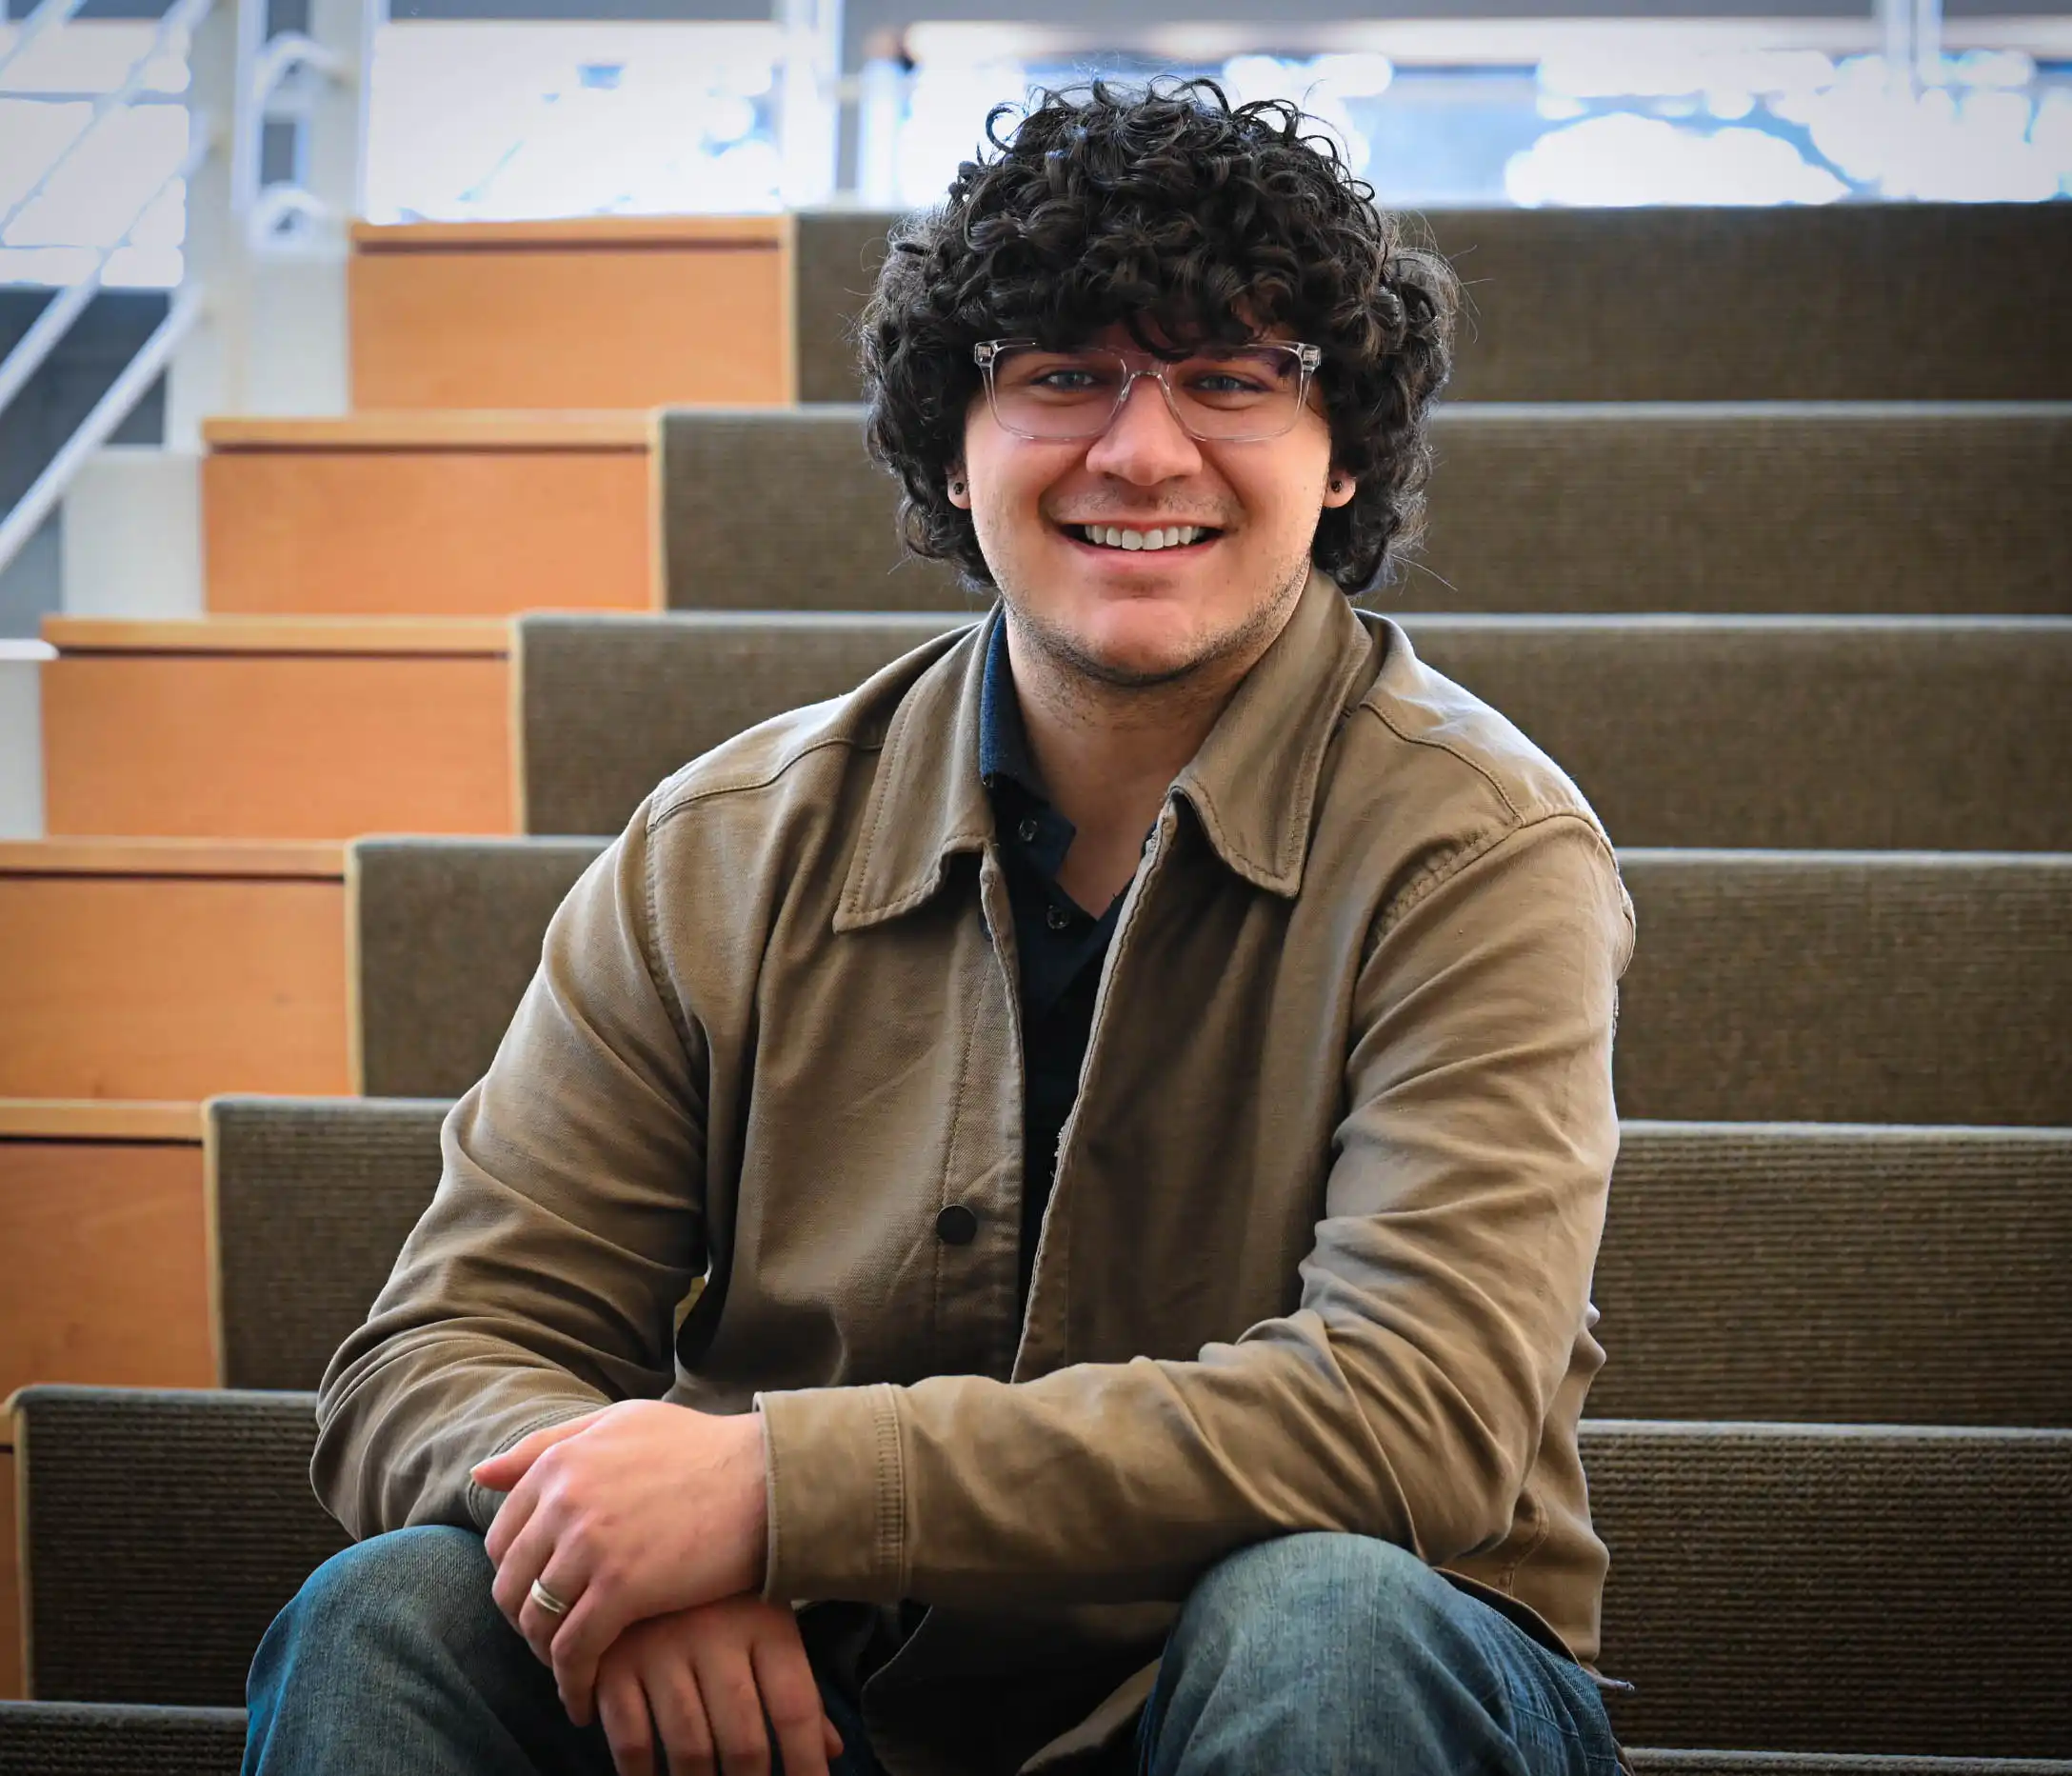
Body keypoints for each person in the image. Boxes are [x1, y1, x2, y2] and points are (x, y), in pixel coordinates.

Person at [245, 79, 1637, 1776]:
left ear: (1337, 453)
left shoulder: (1477, 851)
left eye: (1231, 379)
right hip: (806, 1702)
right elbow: (442, 1350)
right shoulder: (723, 846)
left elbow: (1414, 1417)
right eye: (1060, 375)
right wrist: (613, 1546)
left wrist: (772, 1493)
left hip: (1333, 1678)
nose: (1142, 450)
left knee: (1322, 1615)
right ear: (952, 446)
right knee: (396, 1609)